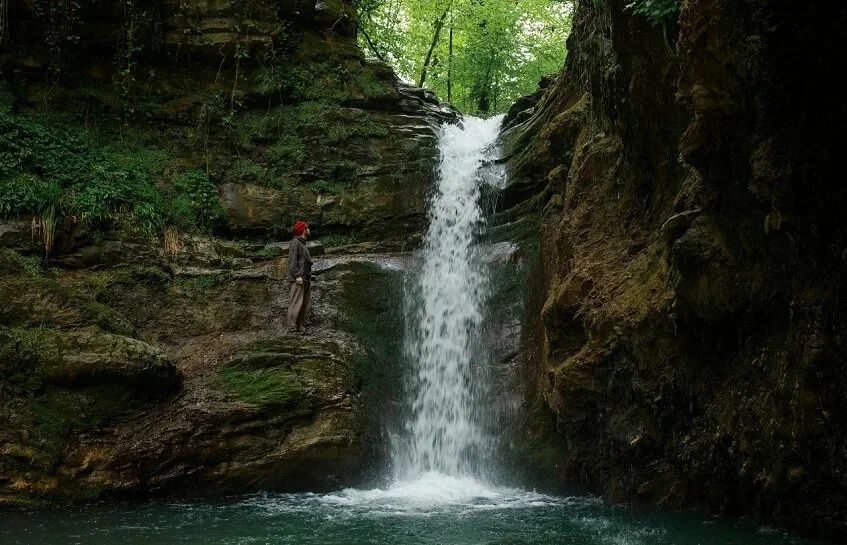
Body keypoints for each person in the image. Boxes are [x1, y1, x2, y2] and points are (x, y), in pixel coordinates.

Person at [286, 220, 313, 334]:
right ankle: (292, 327)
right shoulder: (295, 242)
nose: (309, 230)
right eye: (307, 228)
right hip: (299, 279)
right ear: (303, 230)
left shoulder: (303, 243)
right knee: (296, 303)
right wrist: (297, 276)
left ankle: (300, 326)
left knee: (304, 304)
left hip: (306, 279)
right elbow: (292, 261)